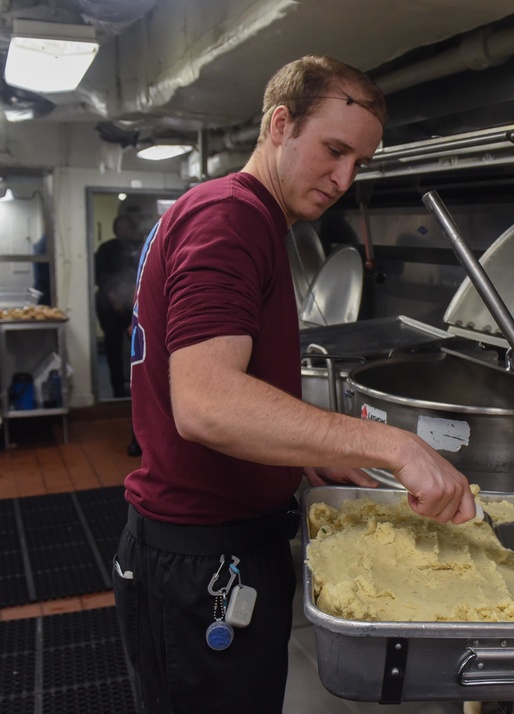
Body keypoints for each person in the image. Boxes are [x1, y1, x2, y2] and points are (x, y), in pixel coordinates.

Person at [113, 55, 476, 713]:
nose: (342, 179)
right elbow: (206, 402)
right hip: (199, 563)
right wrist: (389, 444)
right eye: (333, 150)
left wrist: (312, 450)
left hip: (215, 548)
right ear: (280, 124)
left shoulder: (236, 215)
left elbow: (217, 388)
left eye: (359, 164)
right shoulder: (231, 219)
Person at [95, 213, 141, 398]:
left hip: (132, 304)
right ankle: (116, 387)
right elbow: (101, 277)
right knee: (113, 345)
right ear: (115, 229)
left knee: (138, 345)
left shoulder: (138, 247)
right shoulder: (106, 249)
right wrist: (114, 299)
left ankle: (136, 385)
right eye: (120, 227)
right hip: (108, 304)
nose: (123, 231)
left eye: (127, 227)